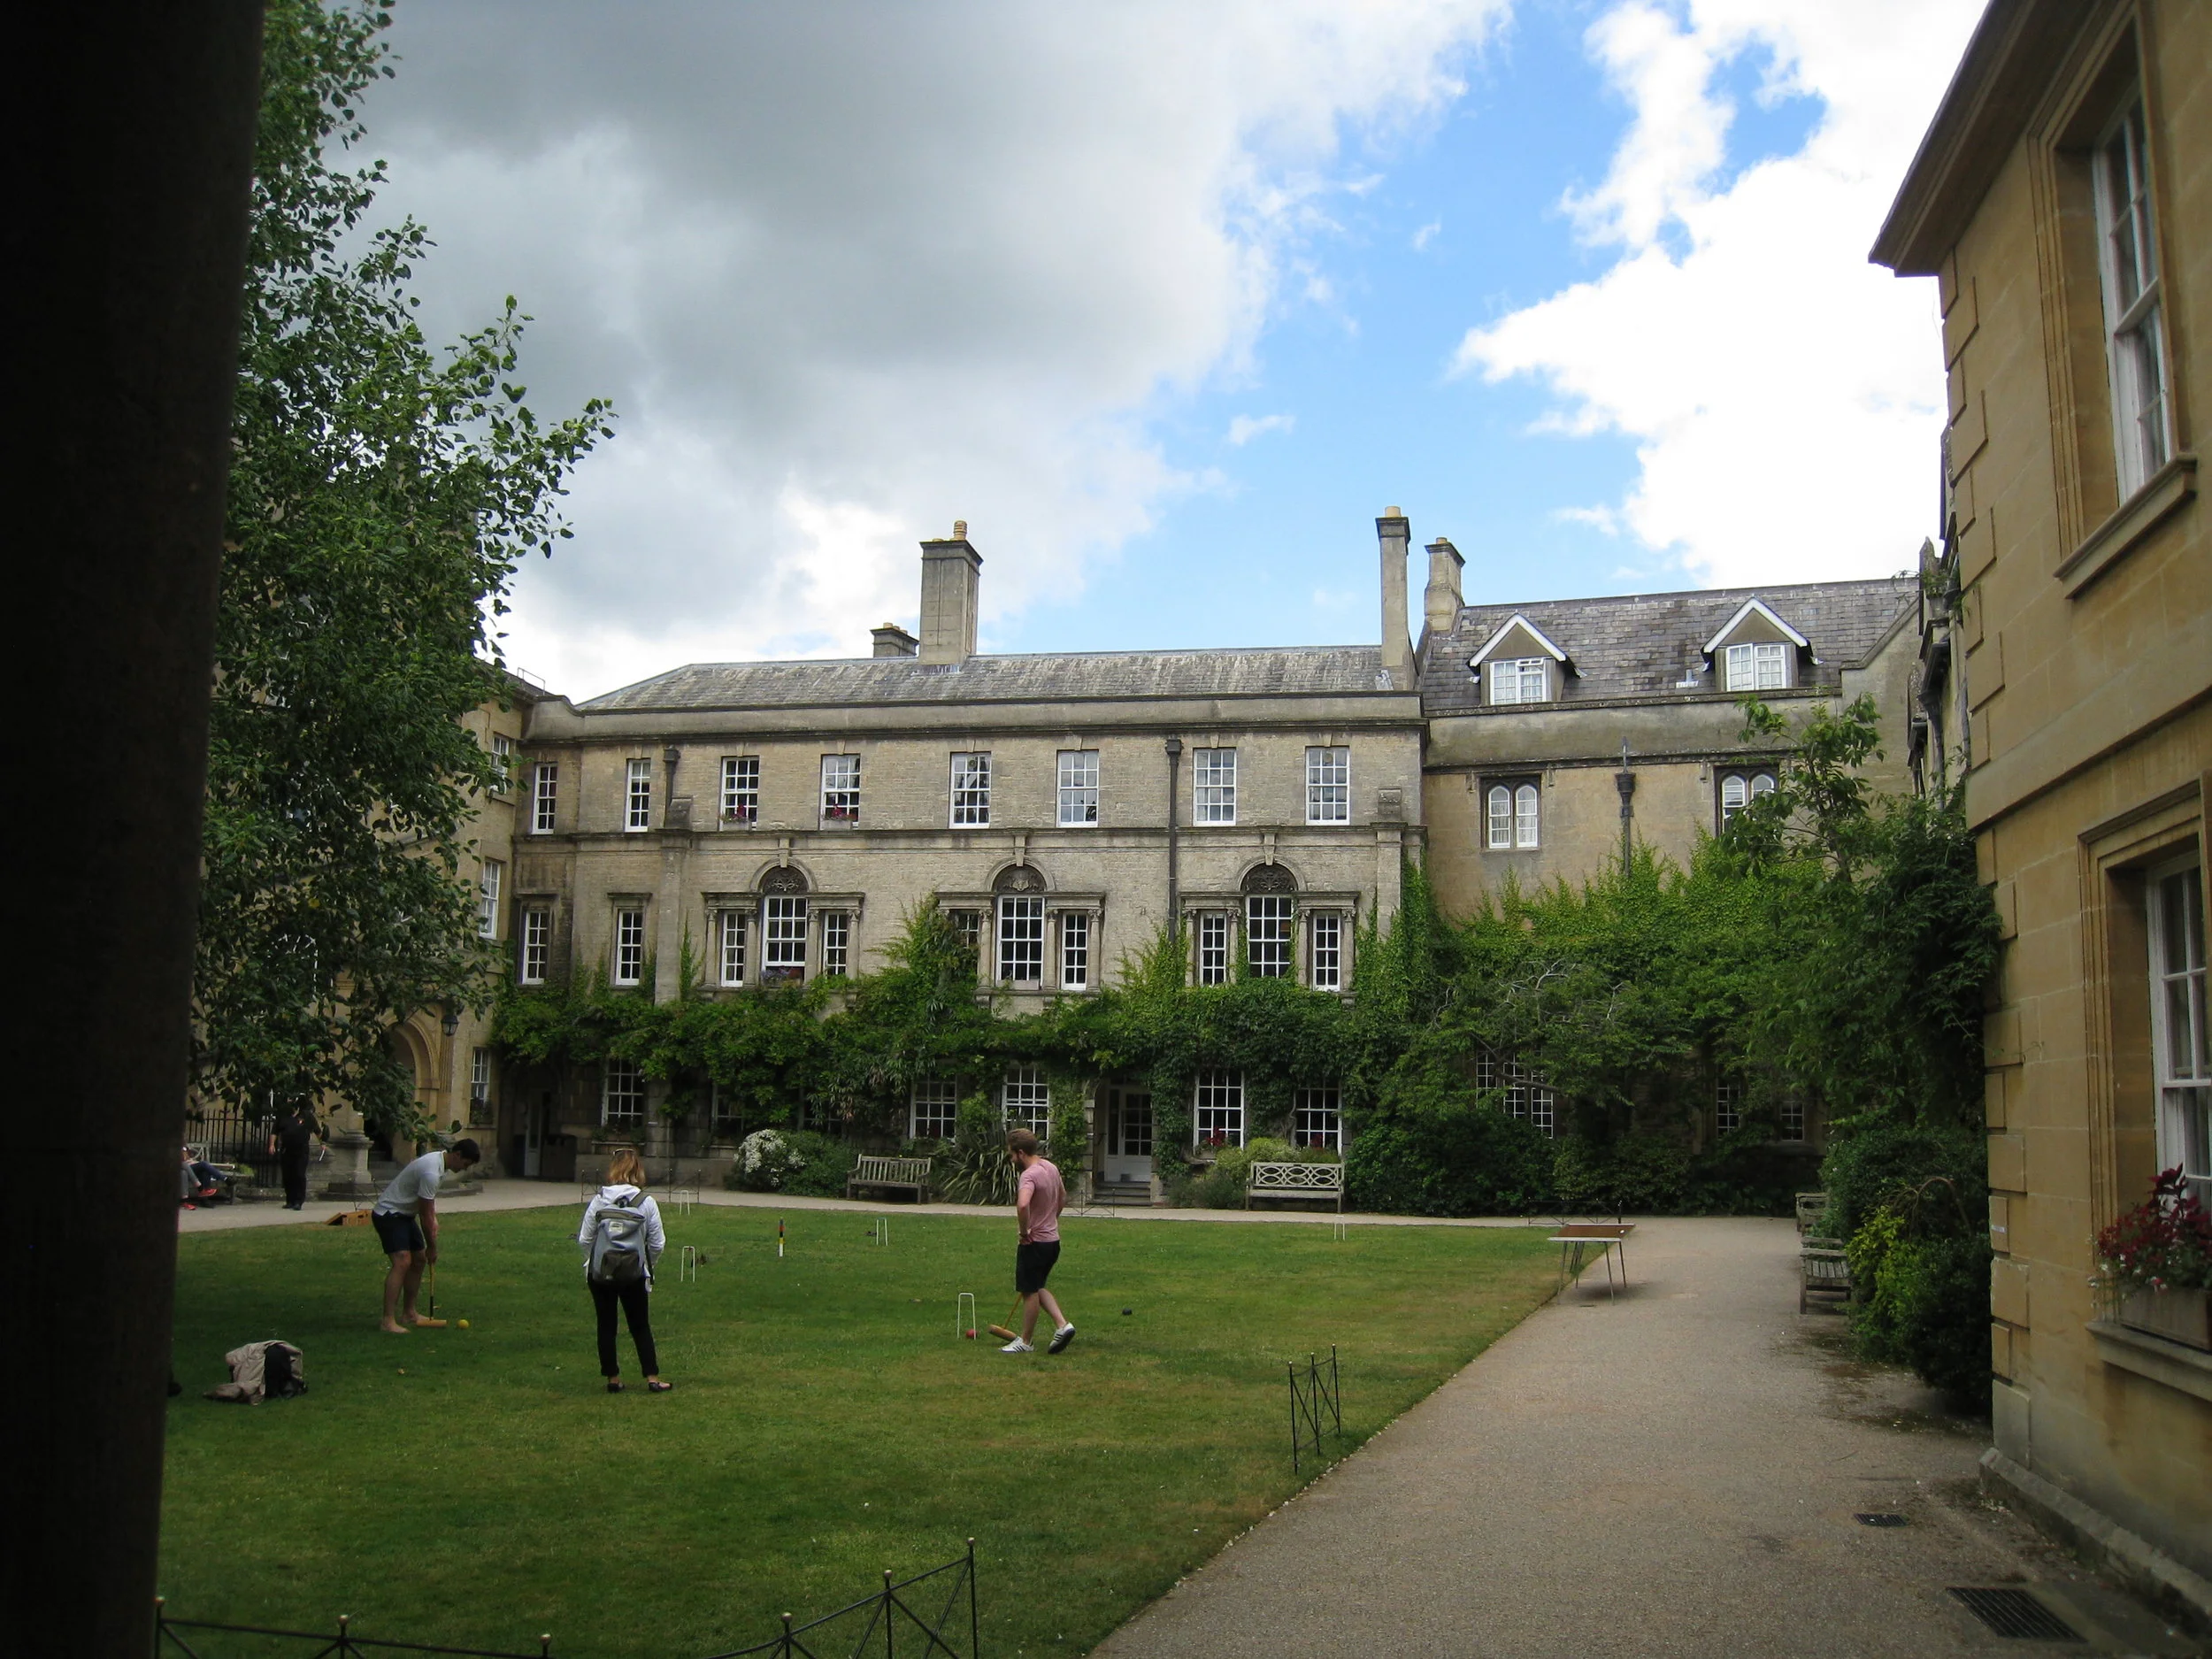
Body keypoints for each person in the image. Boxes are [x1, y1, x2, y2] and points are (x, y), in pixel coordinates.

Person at [578, 1147, 671, 1393]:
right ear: (638, 1170)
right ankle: (652, 1377)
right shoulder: (646, 1203)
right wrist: (647, 1264)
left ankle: (613, 1379)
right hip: (634, 1273)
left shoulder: (599, 1200)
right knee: (640, 1325)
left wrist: (593, 1261)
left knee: (606, 1325)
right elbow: (658, 1242)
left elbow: (584, 1239)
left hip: (601, 1274)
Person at [372, 1138, 480, 1334]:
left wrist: (433, 1219)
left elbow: (427, 1206)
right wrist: (432, 1246)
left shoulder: (439, 1164)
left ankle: (409, 1313)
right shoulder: (432, 1171)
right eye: (465, 1164)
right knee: (402, 1262)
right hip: (389, 1214)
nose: (464, 1169)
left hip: (404, 1215)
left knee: (419, 1260)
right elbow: (425, 1214)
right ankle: (387, 1321)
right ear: (457, 1155)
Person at [1002, 1128, 1074, 1355]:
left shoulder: (1029, 1175)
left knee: (1029, 1291)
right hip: (1053, 1241)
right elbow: (1062, 1197)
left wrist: (1025, 1233)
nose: (1012, 1159)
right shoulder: (1051, 1167)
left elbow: (1023, 1205)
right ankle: (1063, 1325)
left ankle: (1026, 1341)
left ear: (1021, 1152)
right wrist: (1052, 1219)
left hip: (1034, 1243)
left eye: (1012, 1155)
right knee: (1037, 1285)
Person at [268, 1102, 318, 1210]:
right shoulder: (283, 1118)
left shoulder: (306, 1116)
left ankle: (299, 1201)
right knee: (287, 1176)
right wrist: (272, 1145)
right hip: (287, 1150)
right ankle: (290, 1200)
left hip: (301, 1150)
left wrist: (323, 1142)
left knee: (299, 1174)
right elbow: (275, 1131)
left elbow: (317, 1129)